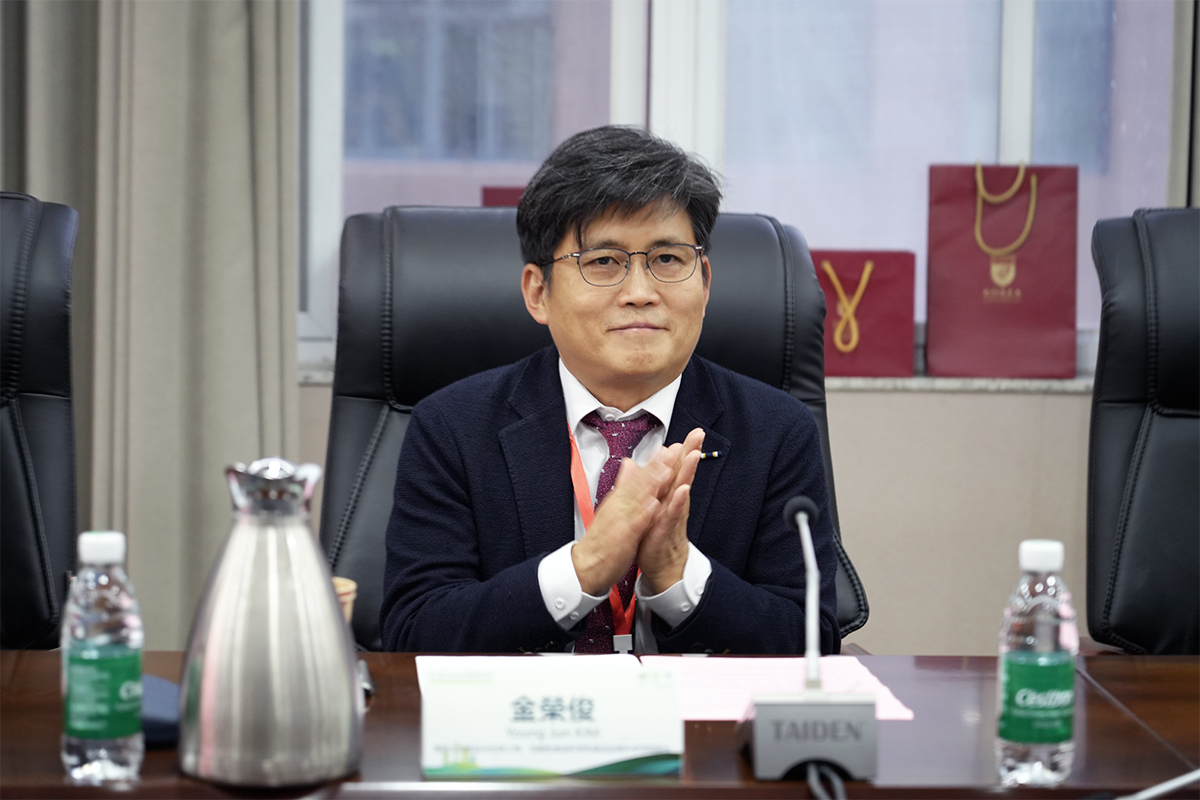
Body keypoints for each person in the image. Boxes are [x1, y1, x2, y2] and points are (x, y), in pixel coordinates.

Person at [380, 126, 838, 655]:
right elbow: (414, 632)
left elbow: (812, 642)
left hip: (692, 711)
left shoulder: (776, 431)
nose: (640, 293)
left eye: (667, 260)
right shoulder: (454, 427)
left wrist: (679, 575)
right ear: (538, 292)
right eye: (603, 262)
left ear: (705, 282)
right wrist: (585, 567)